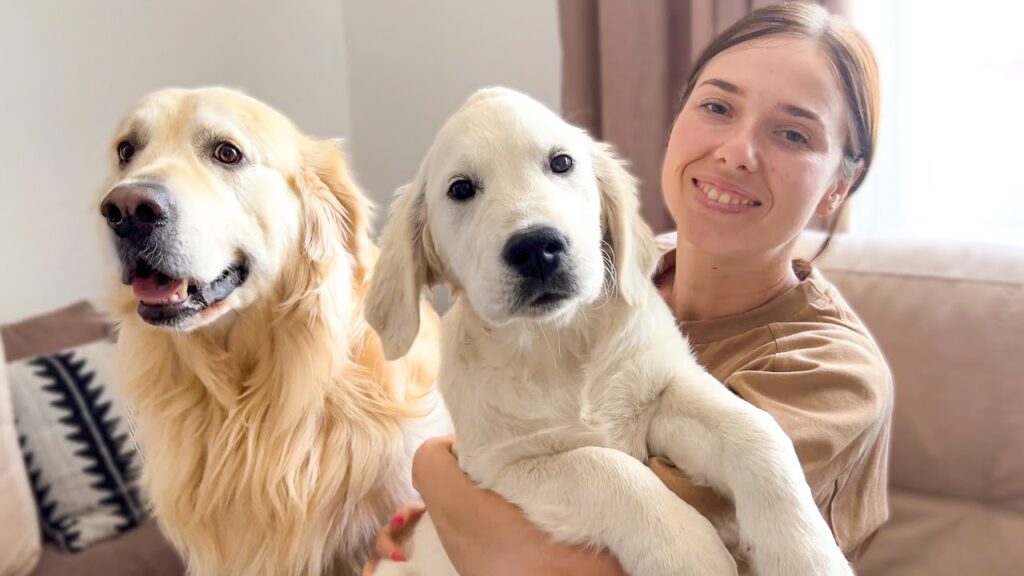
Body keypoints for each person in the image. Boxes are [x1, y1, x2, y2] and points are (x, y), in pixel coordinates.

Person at [363, 3, 892, 574]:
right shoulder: (639, 263)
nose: (737, 152)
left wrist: (438, 476)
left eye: (793, 133)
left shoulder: (829, 370)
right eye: (717, 106)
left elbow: (552, 562)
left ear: (842, 183)